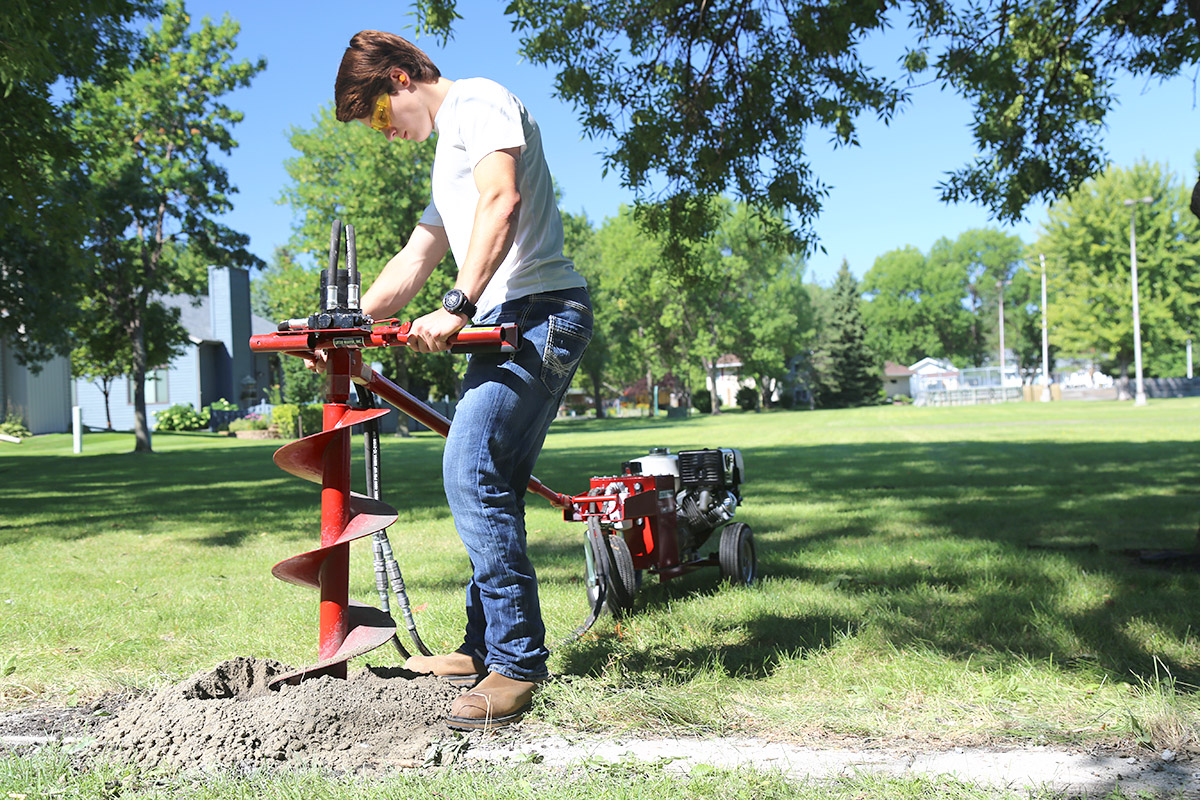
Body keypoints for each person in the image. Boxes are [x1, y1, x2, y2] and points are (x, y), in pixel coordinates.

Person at [333, 30, 592, 730]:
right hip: (505, 318)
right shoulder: (449, 146)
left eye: (381, 118)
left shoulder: (477, 102)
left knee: (471, 467)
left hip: (539, 313)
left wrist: (458, 303)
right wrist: (339, 322)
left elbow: (501, 201)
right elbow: (418, 255)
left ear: (400, 79)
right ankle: (481, 648)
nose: (386, 135)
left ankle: (515, 663)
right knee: (493, 482)